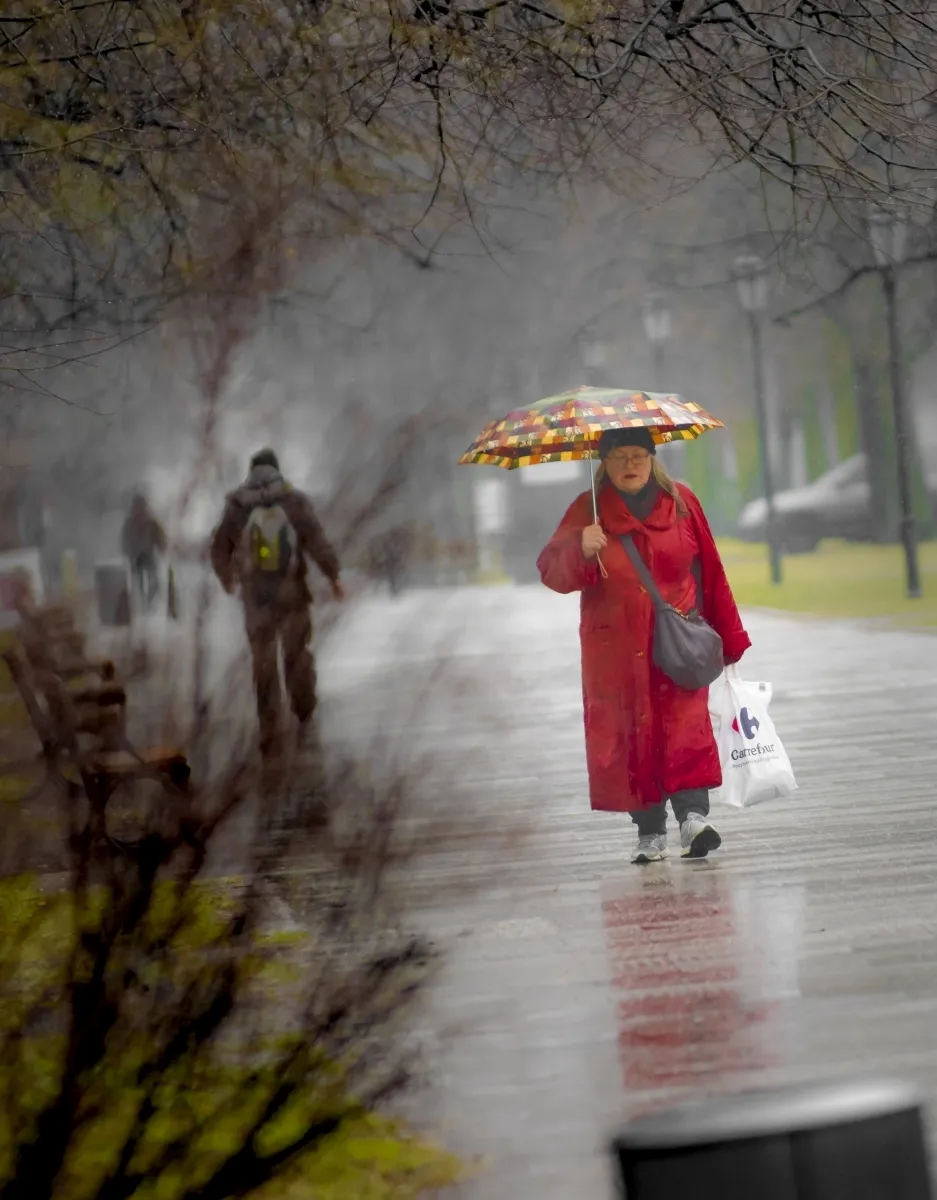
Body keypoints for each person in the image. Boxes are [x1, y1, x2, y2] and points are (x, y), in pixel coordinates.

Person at [536, 427, 751, 864]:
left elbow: (711, 570)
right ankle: (649, 832)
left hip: (678, 644)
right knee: (631, 737)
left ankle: (693, 819)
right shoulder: (587, 509)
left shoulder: (683, 503)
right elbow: (551, 572)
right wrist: (580, 547)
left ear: (653, 459)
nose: (630, 466)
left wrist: (729, 637)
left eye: (638, 456)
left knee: (684, 729)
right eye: (619, 457)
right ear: (604, 463)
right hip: (615, 653)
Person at [209, 448, 344, 755]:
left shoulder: (237, 505)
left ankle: (269, 724)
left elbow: (219, 549)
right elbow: (316, 540)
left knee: (263, 661)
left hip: (256, 598)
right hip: (292, 592)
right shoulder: (293, 500)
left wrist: (228, 578)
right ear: (277, 470)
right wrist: (333, 576)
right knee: (296, 655)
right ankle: (304, 712)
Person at [121, 492, 167, 611]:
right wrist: (127, 552)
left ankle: (148, 600)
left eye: (141, 505)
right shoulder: (130, 522)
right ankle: (142, 603)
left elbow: (160, 537)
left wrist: (162, 548)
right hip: (135, 556)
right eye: (137, 505)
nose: (139, 509)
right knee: (139, 581)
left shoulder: (151, 522)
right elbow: (125, 538)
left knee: (155, 580)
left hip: (148, 554)